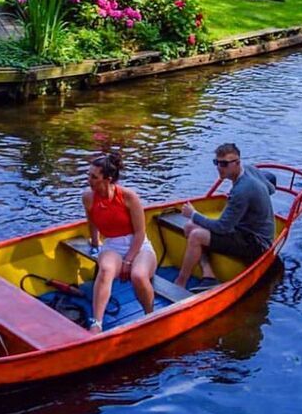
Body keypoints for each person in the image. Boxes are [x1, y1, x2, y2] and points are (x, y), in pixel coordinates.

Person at [174, 142, 276, 289]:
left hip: (256, 243)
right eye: (217, 162)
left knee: (196, 235)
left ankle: (180, 283)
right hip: (244, 230)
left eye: (224, 164)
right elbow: (271, 189)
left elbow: (222, 227)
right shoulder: (249, 169)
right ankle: (209, 275)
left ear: (237, 163)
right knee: (190, 227)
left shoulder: (242, 190)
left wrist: (193, 214)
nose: (219, 168)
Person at [82, 152, 157, 334]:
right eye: (88, 175)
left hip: (138, 246)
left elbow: (140, 233)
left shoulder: (128, 197)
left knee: (138, 276)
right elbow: (92, 221)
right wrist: (94, 244)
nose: (88, 180)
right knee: (106, 269)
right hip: (112, 245)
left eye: (94, 177)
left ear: (107, 179)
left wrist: (128, 261)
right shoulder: (88, 197)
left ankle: (150, 316)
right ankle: (97, 323)